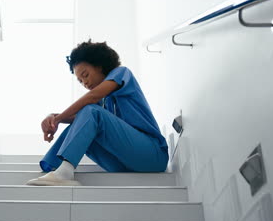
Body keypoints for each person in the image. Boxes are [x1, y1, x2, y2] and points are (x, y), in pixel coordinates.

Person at [26, 40, 169, 186]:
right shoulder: (102, 103)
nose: (85, 83)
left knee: (90, 111)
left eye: (85, 75)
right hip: (124, 163)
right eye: (80, 81)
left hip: (153, 155)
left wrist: (58, 118)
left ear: (99, 66)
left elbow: (92, 98)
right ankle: (53, 169)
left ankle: (64, 173)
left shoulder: (121, 73)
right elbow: (80, 119)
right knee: (80, 127)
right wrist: (53, 117)